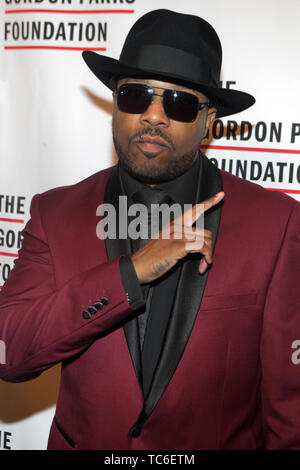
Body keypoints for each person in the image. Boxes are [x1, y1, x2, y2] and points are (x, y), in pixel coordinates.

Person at [0, 9, 300, 451]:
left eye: (178, 102)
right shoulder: (55, 212)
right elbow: (10, 352)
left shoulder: (276, 223)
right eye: (136, 96)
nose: (154, 116)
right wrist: (128, 275)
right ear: (115, 104)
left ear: (208, 119)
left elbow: (290, 413)